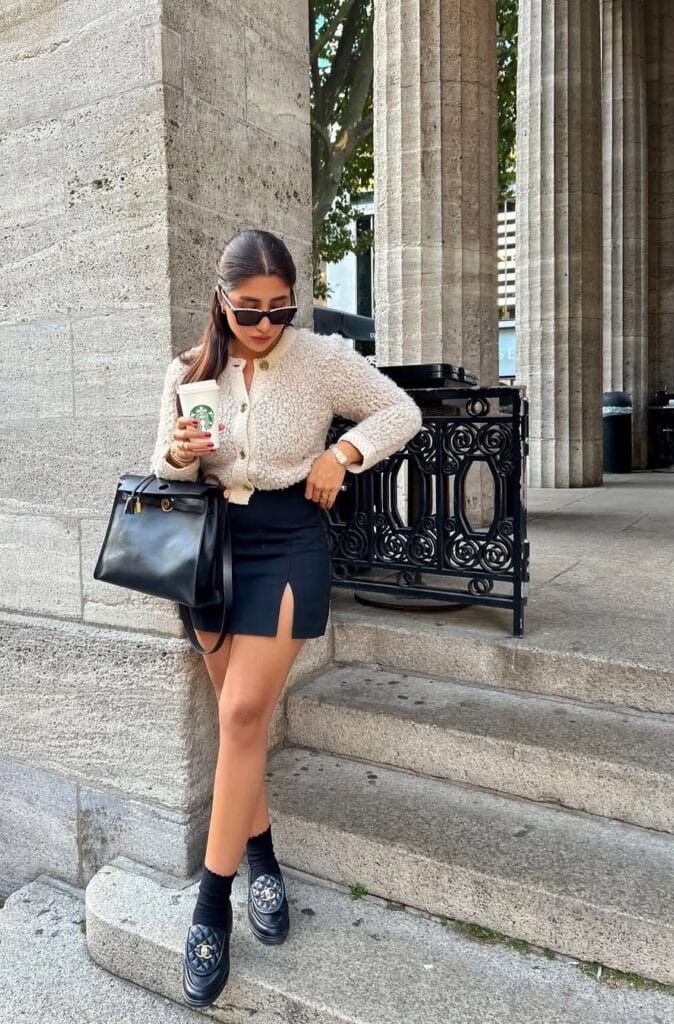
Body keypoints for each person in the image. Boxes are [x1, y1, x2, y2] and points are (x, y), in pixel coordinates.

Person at [150, 229, 422, 1008]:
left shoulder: (321, 357)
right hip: (207, 548)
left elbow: (398, 411)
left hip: (288, 541)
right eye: (249, 311)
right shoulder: (187, 369)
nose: (265, 324)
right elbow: (164, 470)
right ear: (222, 298)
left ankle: (210, 909)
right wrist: (177, 448)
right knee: (240, 729)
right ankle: (261, 852)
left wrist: (342, 456)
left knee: (240, 713)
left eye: (279, 309)